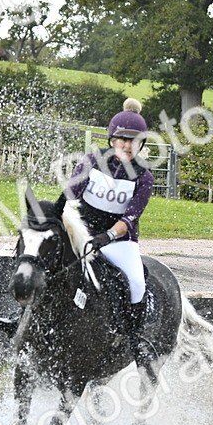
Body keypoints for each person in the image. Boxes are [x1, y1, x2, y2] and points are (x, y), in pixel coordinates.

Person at [60, 98, 155, 360]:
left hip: (119, 240)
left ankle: (135, 340)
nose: (127, 145)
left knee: (136, 283)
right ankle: (20, 319)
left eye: (134, 141)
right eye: (123, 139)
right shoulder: (92, 160)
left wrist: (108, 236)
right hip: (82, 232)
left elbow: (130, 217)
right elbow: (70, 194)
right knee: (47, 262)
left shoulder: (144, 176)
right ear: (112, 139)